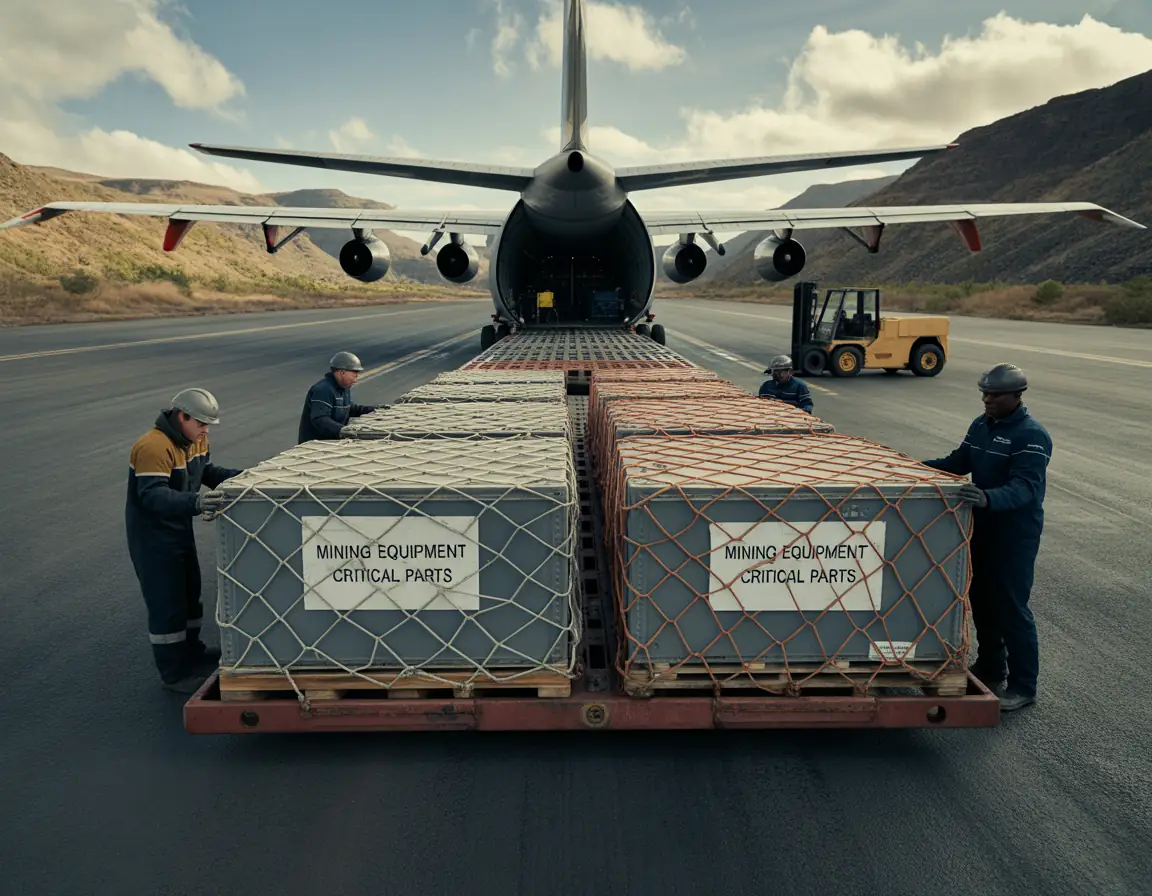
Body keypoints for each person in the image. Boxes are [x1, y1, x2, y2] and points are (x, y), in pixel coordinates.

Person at [921, 363, 1052, 713]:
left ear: (1016, 395)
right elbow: (959, 460)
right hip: (981, 528)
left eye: (994, 395)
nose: (987, 399)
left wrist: (989, 498)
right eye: (984, 393)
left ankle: (1024, 685)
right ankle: (992, 665)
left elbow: (1026, 487)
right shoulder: (981, 426)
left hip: (1014, 535)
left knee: (1011, 606)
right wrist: (912, 466)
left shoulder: (1031, 436)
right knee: (980, 598)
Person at [126, 388, 244, 693]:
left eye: (208, 425)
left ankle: (193, 652)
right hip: (153, 537)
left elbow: (205, 471)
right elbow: (152, 495)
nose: (205, 430)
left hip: (178, 529)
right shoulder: (152, 446)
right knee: (167, 603)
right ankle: (174, 673)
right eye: (201, 423)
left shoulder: (196, 439)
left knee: (190, 594)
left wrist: (244, 478)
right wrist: (196, 503)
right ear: (182, 416)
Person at [297, 351, 388, 443]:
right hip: (315, 445)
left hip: (333, 442)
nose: (355, 380)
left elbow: (349, 408)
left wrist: (374, 410)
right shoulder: (323, 390)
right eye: (354, 375)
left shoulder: (343, 388)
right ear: (342, 373)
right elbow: (319, 419)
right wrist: (341, 430)